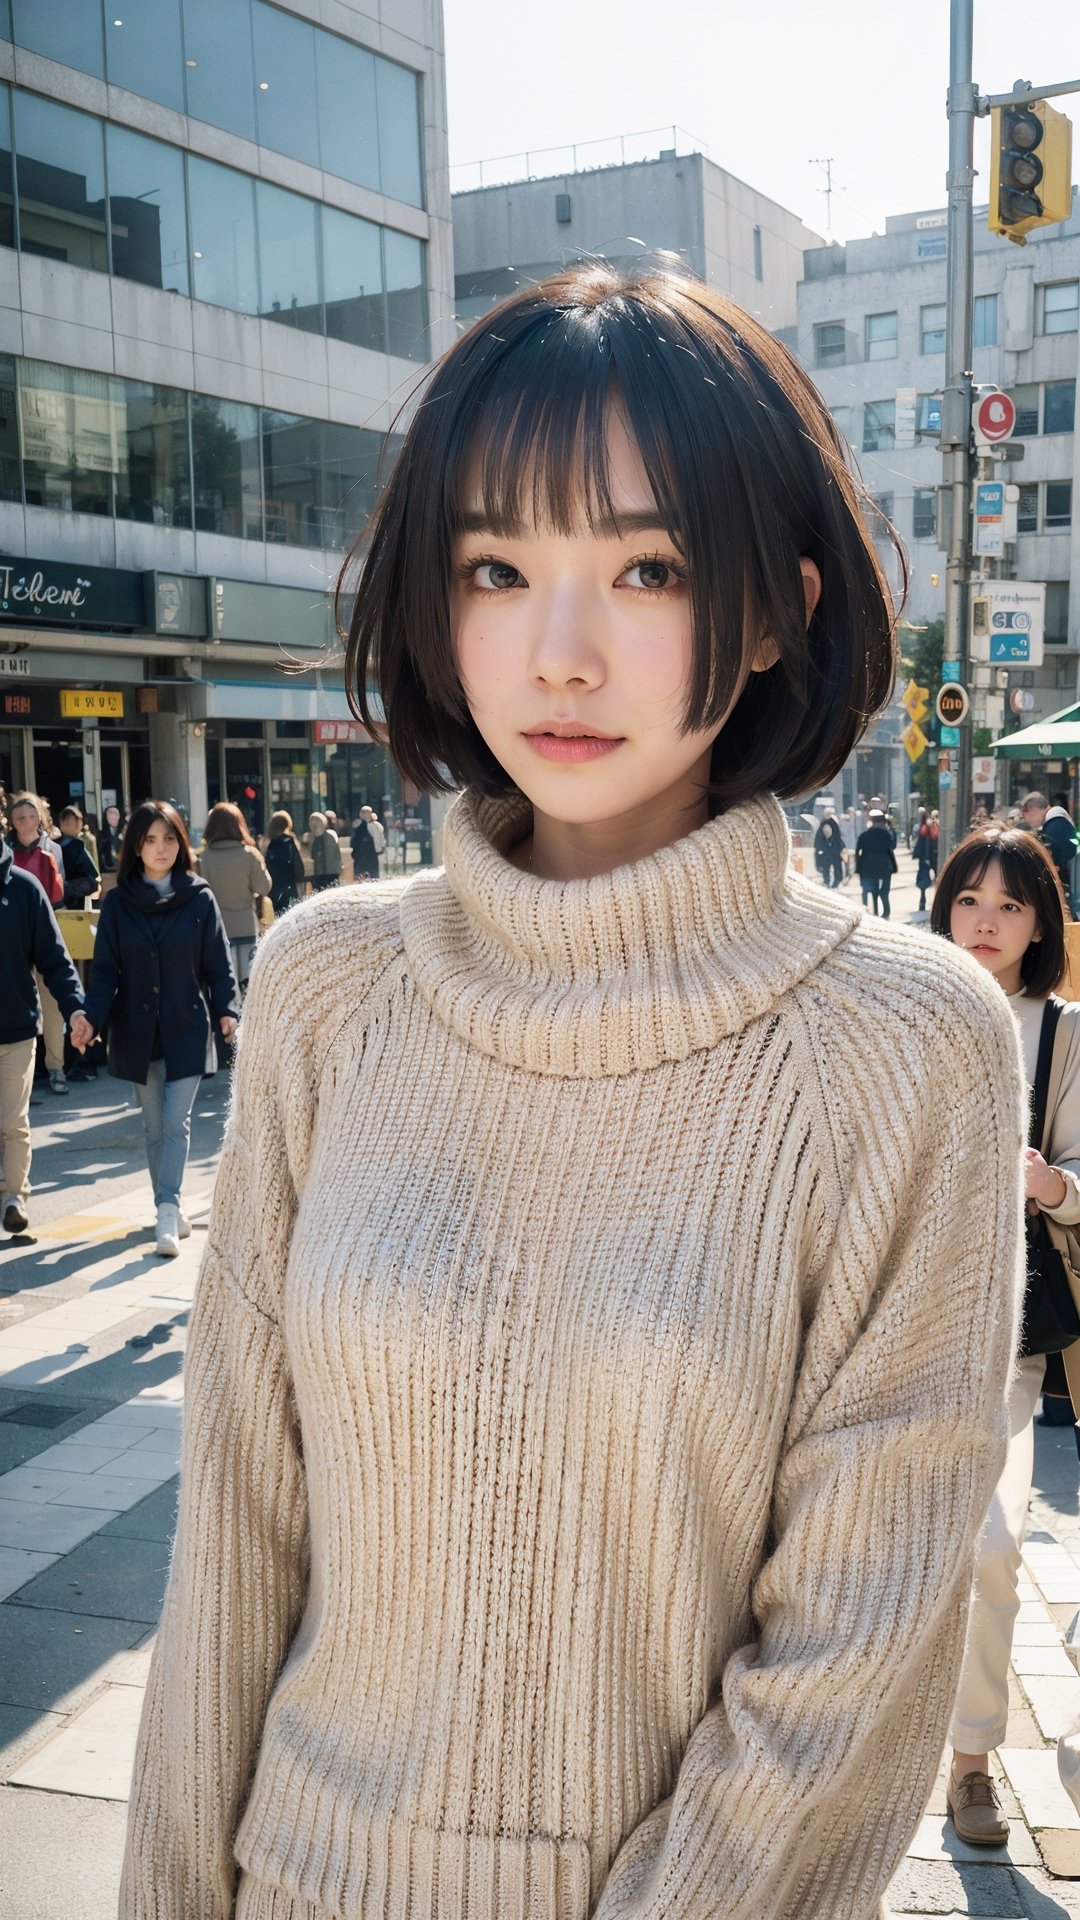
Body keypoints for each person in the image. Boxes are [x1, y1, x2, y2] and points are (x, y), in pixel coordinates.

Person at [120, 263, 1025, 1920]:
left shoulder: (910, 1046)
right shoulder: (333, 983)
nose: (560, 651)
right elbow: (237, 1543)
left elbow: (857, 1650)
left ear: (776, 608)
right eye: (495, 564)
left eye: (648, 565)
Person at [930, 826, 1080, 1846]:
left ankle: (973, 1760)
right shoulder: (900, 1004)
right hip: (886, 1325)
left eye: (1010, 906)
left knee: (988, 1550)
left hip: (1006, 1334)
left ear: (1040, 924)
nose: (985, 923)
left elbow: (1079, 1178)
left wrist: (1051, 1184)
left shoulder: (1062, 1033)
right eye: (969, 900)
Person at [71, 801, 238, 1258]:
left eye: (169, 838)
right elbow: (105, 972)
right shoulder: (120, 902)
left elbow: (219, 964)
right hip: (137, 1029)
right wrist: (90, 1017)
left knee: (174, 1121)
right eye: (150, 840)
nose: (160, 848)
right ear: (136, 847)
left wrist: (228, 1010)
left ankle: (167, 1206)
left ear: (181, 842)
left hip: (187, 1024)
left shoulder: (200, 896)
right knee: (151, 1127)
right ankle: (169, 1205)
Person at [0, 811, 84, 1234]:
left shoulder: (24, 887)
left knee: (12, 1121)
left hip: (14, 1028)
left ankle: (14, 1198)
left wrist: (76, 1008)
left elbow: (55, 959)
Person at [8, 792, 68, 1095]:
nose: (27, 822)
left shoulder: (53, 850)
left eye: (32, 816)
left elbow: (61, 892)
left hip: (46, 929)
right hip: (14, 938)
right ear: (12, 822)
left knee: (52, 1005)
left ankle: (56, 1066)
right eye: (21, 817)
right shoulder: (6, 851)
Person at [197, 802, 272, 995]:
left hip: (217, 927)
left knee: (224, 986)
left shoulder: (204, 858)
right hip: (246, 925)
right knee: (249, 985)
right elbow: (264, 887)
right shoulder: (249, 855)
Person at [1020, 791, 1079, 914]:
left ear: (1032, 811)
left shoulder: (1055, 824)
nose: (1028, 822)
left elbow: (1060, 853)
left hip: (1070, 879)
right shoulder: (1055, 820)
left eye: (1027, 817)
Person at [854, 806, 898, 917]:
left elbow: (858, 851)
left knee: (867, 890)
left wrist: (858, 865)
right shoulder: (886, 835)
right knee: (883, 892)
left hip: (867, 867)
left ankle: (865, 911)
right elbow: (891, 848)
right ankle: (883, 912)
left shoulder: (864, 836)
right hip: (884, 867)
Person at [57, 805, 101, 910]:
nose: (67, 824)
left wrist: (66, 887)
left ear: (80, 824)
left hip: (76, 904)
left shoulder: (79, 845)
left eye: (71, 821)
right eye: (65, 821)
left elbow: (92, 880)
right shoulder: (54, 844)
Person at [264, 809, 306, 916]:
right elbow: (298, 868)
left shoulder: (270, 845)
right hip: (289, 887)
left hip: (274, 889)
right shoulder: (289, 842)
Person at [308, 810, 342, 892]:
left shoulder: (330, 835)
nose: (315, 824)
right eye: (312, 821)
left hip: (330, 873)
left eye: (317, 821)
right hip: (317, 873)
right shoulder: (311, 838)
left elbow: (335, 855)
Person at [813, 810, 844, 888]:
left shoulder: (824, 824)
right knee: (833, 867)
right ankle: (833, 882)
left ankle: (829, 881)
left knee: (827, 867)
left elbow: (819, 839)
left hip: (828, 850)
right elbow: (838, 838)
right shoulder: (834, 825)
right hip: (832, 850)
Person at [349, 809, 380, 881]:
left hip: (364, 858)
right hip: (367, 858)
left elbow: (352, 843)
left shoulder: (357, 827)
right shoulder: (374, 826)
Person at [97, 803, 123, 874]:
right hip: (107, 871)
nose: (113, 816)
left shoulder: (125, 832)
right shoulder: (101, 834)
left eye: (115, 814)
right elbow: (100, 854)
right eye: (110, 814)